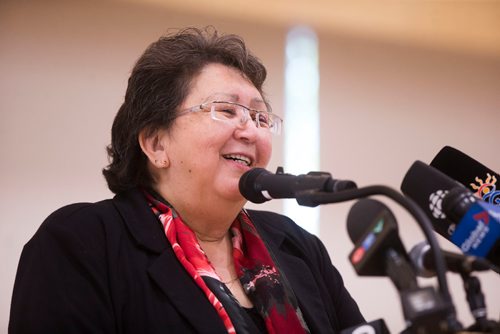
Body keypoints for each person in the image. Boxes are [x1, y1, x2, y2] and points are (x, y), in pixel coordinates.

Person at [9, 26, 365, 333]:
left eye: (260, 117)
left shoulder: (297, 246)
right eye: (227, 110)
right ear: (156, 143)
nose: (250, 131)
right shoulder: (81, 242)